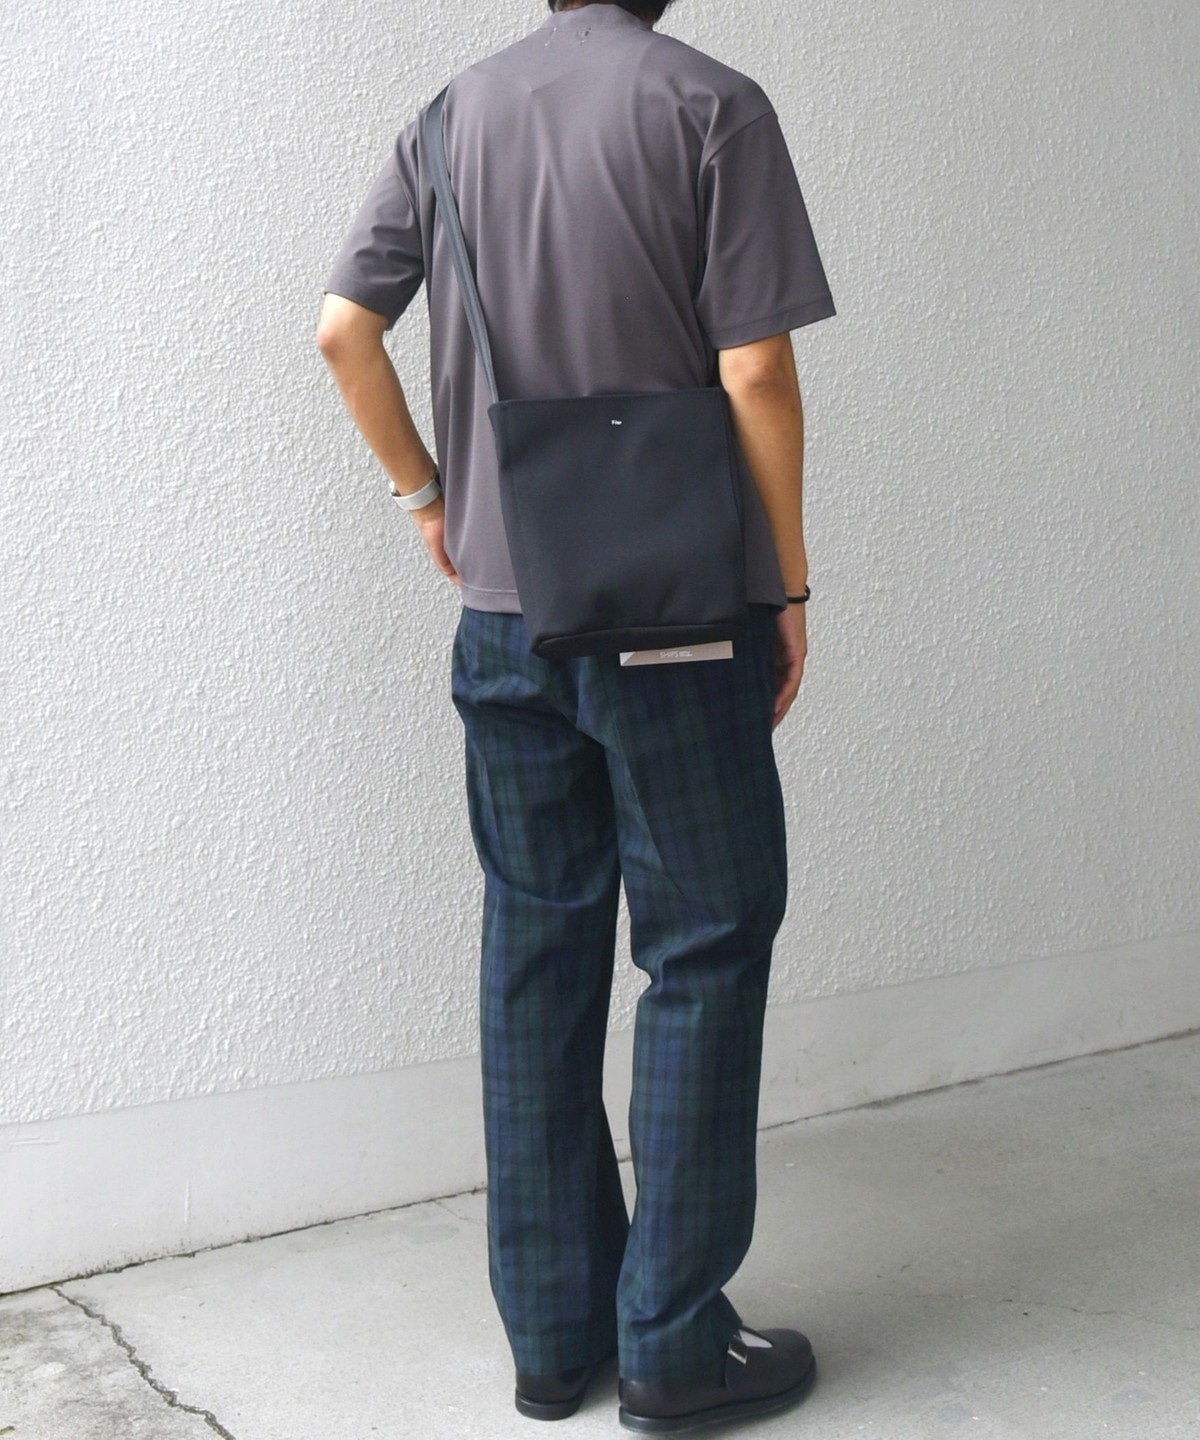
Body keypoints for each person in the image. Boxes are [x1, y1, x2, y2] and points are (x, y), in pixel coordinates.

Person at [316, 0, 835, 1429]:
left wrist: (428, 500)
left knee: (536, 960)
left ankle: (553, 1337)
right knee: (706, 945)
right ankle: (672, 1343)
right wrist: (786, 586)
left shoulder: (447, 119)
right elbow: (755, 370)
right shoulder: (712, 105)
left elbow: (343, 334)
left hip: (504, 624)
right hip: (676, 620)